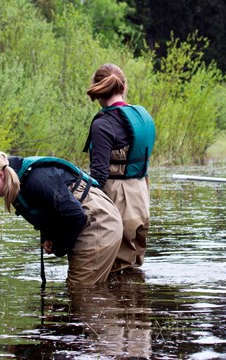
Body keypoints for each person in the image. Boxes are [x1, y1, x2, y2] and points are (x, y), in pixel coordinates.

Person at [0, 149, 122, 286]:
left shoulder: (36, 179)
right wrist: (50, 237)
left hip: (98, 222)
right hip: (91, 219)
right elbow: (52, 210)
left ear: (0, 175)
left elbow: (75, 216)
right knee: (97, 286)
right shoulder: (17, 180)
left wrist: (59, 247)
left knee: (81, 290)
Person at [83, 63, 156, 273]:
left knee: (115, 264)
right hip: (141, 192)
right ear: (124, 87)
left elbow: (98, 174)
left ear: (98, 91)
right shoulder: (142, 116)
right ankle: (137, 303)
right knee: (135, 260)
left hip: (118, 196)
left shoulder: (103, 124)